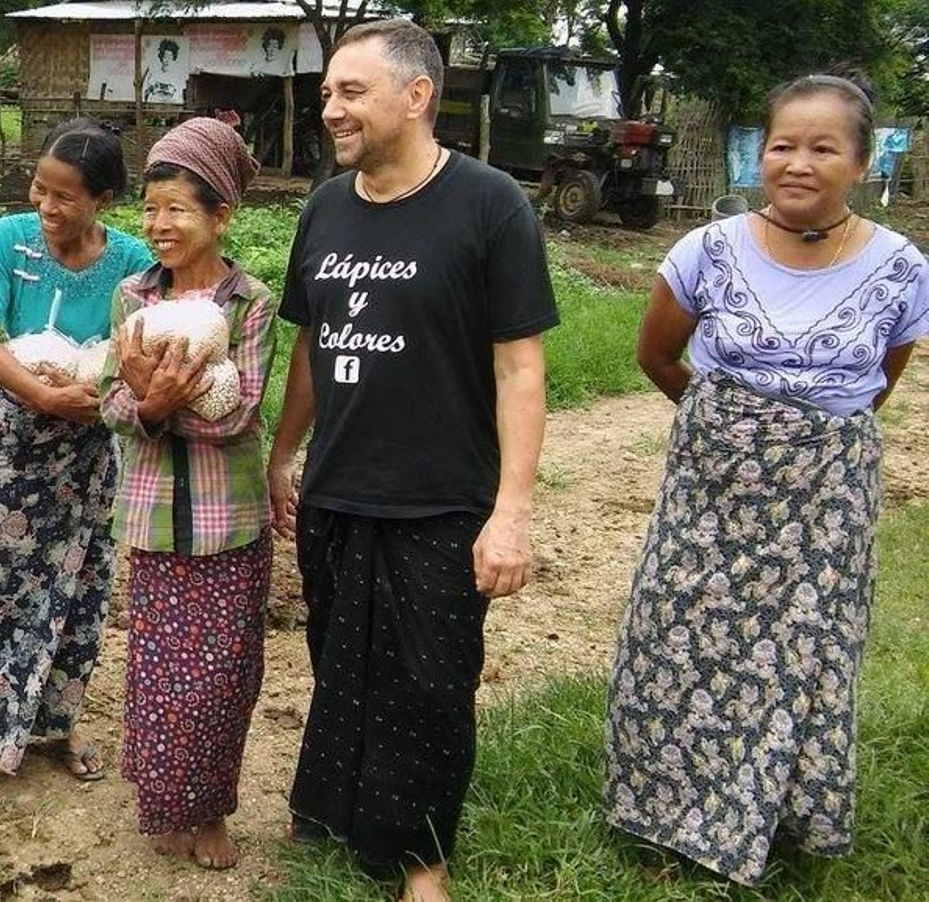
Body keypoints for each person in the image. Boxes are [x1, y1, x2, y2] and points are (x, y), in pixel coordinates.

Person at [605, 73, 928, 886]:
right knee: (675, 638)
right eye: (783, 143)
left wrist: (799, 438)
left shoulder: (901, 267)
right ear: (761, 153)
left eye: (823, 148)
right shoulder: (705, 251)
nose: (798, 162)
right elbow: (656, 355)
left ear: (860, 162)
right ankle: (661, 813)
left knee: (803, 656)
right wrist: (729, 431)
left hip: (827, 500)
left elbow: (879, 384)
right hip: (710, 489)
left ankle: (775, 815)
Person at [267, 20, 558, 901]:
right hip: (340, 489)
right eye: (327, 94)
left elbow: (520, 366)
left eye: (351, 92)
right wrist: (285, 453)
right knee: (338, 660)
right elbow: (312, 345)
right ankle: (339, 814)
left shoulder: (490, 203)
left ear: (417, 96)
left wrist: (511, 512)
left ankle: (422, 858)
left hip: (441, 496)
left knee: (430, 682)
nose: (332, 110)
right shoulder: (325, 206)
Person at [0, 119, 152, 792]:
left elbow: (135, 349)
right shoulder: (10, 239)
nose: (47, 208)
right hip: (19, 444)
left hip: (93, 445)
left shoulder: (134, 262)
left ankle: (57, 725)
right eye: (39, 189)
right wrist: (43, 397)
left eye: (65, 197)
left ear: (103, 201)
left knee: (82, 588)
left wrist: (99, 389)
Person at [101, 117, 273, 870]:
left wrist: (164, 405)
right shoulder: (132, 298)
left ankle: (211, 813)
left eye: (176, 209)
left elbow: (241, 411)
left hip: (228, 520)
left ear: (220, 214)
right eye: (149, 210)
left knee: (223, 674)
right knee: (160, 669)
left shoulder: (249, 304)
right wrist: (146, 405)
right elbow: (110, 405)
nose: (158, 225)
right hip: (153, 519)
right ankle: (165, 803)